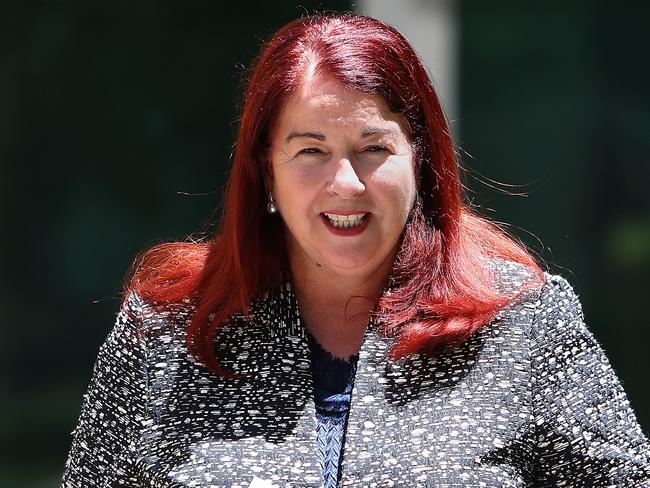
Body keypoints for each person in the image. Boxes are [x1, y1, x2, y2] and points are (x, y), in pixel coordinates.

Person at [61, 13, 650, 488]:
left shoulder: (524, 324)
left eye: (373, 148)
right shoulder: (165, 335)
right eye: (310, 151)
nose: (344, 182)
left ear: (420, 157)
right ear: (266, 170)